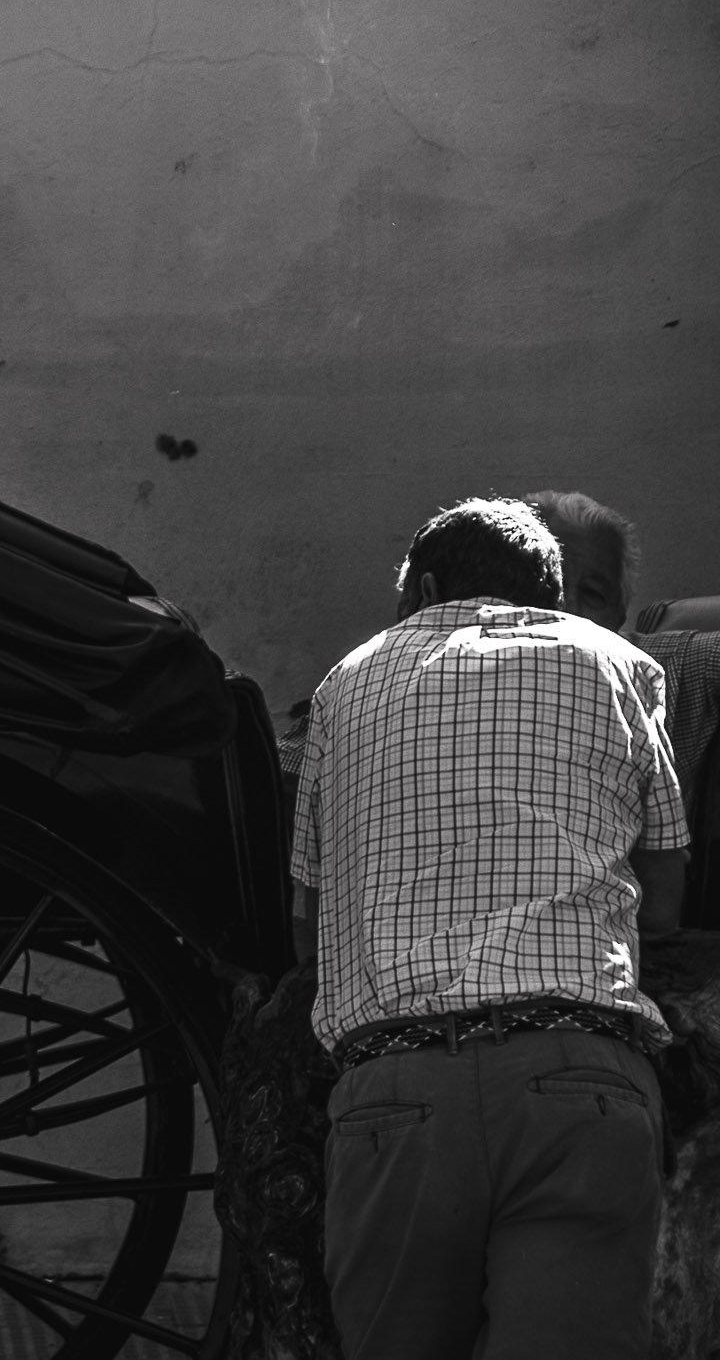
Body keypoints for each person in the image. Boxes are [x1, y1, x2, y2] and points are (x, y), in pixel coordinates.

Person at [289, 496, 688, 1360]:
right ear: (547, 596)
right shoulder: (617, 665)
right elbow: (663, 901)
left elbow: (307, 923)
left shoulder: (346, 680)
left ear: (424, 589)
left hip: (395, 1092)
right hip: (580, 1079)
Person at [526, 488, 720, 848]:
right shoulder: (445, 679)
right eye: (544, 582)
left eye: (593, 594)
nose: (564, 604)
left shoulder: (668, 664)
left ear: (618, 616)